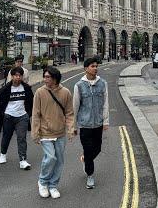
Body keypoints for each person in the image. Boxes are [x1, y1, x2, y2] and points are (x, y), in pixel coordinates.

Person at [31, 66, 75, 199]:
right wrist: (35, 132)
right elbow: (36, 114)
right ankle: (43, 182)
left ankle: (53, 185)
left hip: (60, 132)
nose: (45, 79)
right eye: (44, 77)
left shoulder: (65, 92)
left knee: (59, 160)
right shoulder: (39, 92)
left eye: (48, 77)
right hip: (45, 132)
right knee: (50, 158)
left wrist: (70, 129)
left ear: (55, 78)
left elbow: (69, 112)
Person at [73, 56, 110, 189]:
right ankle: (90, 175)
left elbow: (106, 103)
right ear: (85, 69)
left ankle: (86, 159)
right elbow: (75, 106)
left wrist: (106, 121)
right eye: (92, 66)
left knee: (97, 148)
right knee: (88, 149)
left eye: (96, 66)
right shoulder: (79, 85)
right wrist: (74, 126)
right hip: (85, 124)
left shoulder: (103, 83)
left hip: (98, 124)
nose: (95, 68)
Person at [0, 66, 34, 170]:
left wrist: (27, 114)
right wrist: (3, 113)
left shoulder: (26, 88)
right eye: (16, 75)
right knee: (7, 136)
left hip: (22, 117)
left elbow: (31, 102)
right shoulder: (6, 88)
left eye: (20, 76)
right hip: (8, 116)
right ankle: (3, 153)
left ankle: (23, 160)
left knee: (22, 138)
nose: (18, 78)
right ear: (12, 76)